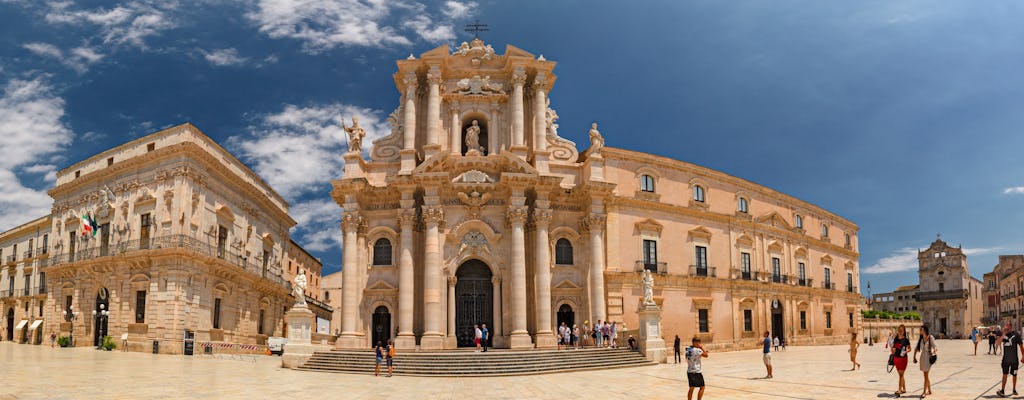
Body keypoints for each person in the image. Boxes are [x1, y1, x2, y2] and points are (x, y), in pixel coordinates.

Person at [998, 321, 1024, 398]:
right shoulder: (1004, 335)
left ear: (1010, 326)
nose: (1005, 327)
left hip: (1014, 360)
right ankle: (1002, 391)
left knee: (1014, 375)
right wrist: (1003, 334)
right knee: (1004, 374)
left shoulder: (1016, 334)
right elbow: (997, 343)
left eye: (1007, 325)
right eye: (1005, 325)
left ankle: (1014, 389)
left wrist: (1023, 356)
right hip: (1005, 360)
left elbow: (1021, 346)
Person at [912, 325, 936, 398]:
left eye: (921, 329)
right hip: (922, 358)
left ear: (925, 330)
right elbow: (916, 348)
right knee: (925, 375)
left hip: (928, 358)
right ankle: (929, 390)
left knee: (926, 375)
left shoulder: (930, 337)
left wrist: (935, 350)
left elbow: (934, 346)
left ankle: (924, 392)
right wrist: (914, 357)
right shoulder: (921, 339)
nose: (920, 331)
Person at [891, 324, 911, 397]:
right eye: (899, 330)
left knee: (901, 375)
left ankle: (899, 390)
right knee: (901, 375)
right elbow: (893, 348)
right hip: (896, 358)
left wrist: (906, 351)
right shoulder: (895, 339)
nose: (899, 332)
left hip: (903, 359)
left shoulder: (906, 340)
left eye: (901, 331)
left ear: (904, 331)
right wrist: (892, 350)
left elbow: (909, 348)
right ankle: (904, 389)